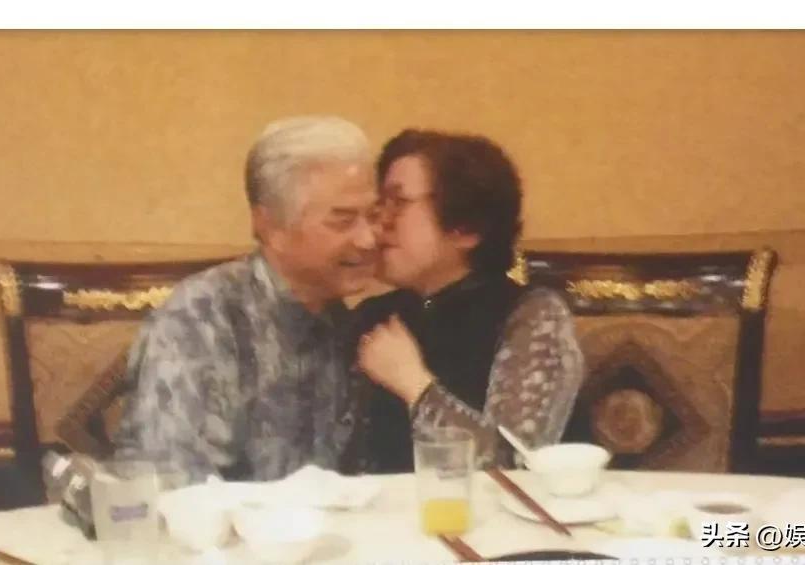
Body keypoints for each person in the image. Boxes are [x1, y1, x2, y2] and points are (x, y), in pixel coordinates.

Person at [114, 115, 380, 482]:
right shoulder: (202, 318)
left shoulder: (351, 324)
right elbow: (166, 479)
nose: (369, 239)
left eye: (373, 216)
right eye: (343, 220)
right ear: (270, 226)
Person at [355, 129, 585, 472]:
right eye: (381, 203)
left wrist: (414, 386)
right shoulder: (374, 316)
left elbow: (515, 467)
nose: (381, 222)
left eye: (399, 203)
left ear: (466, 229)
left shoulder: (531, 315)